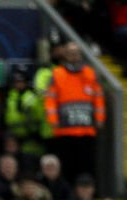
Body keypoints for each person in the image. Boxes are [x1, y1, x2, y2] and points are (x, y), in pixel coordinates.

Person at [44, 42, 105, 182]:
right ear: (65, 55)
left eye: (76, 53)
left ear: (80, 55)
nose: (73, 56)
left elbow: (99, 98)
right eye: (70, 53)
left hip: (86, 130)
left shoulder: (90, 73)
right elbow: (50, 99)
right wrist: (53, 120)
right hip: (65, 130)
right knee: (67, 167)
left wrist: (100, 118)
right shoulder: (57, 74)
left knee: (88, 167)